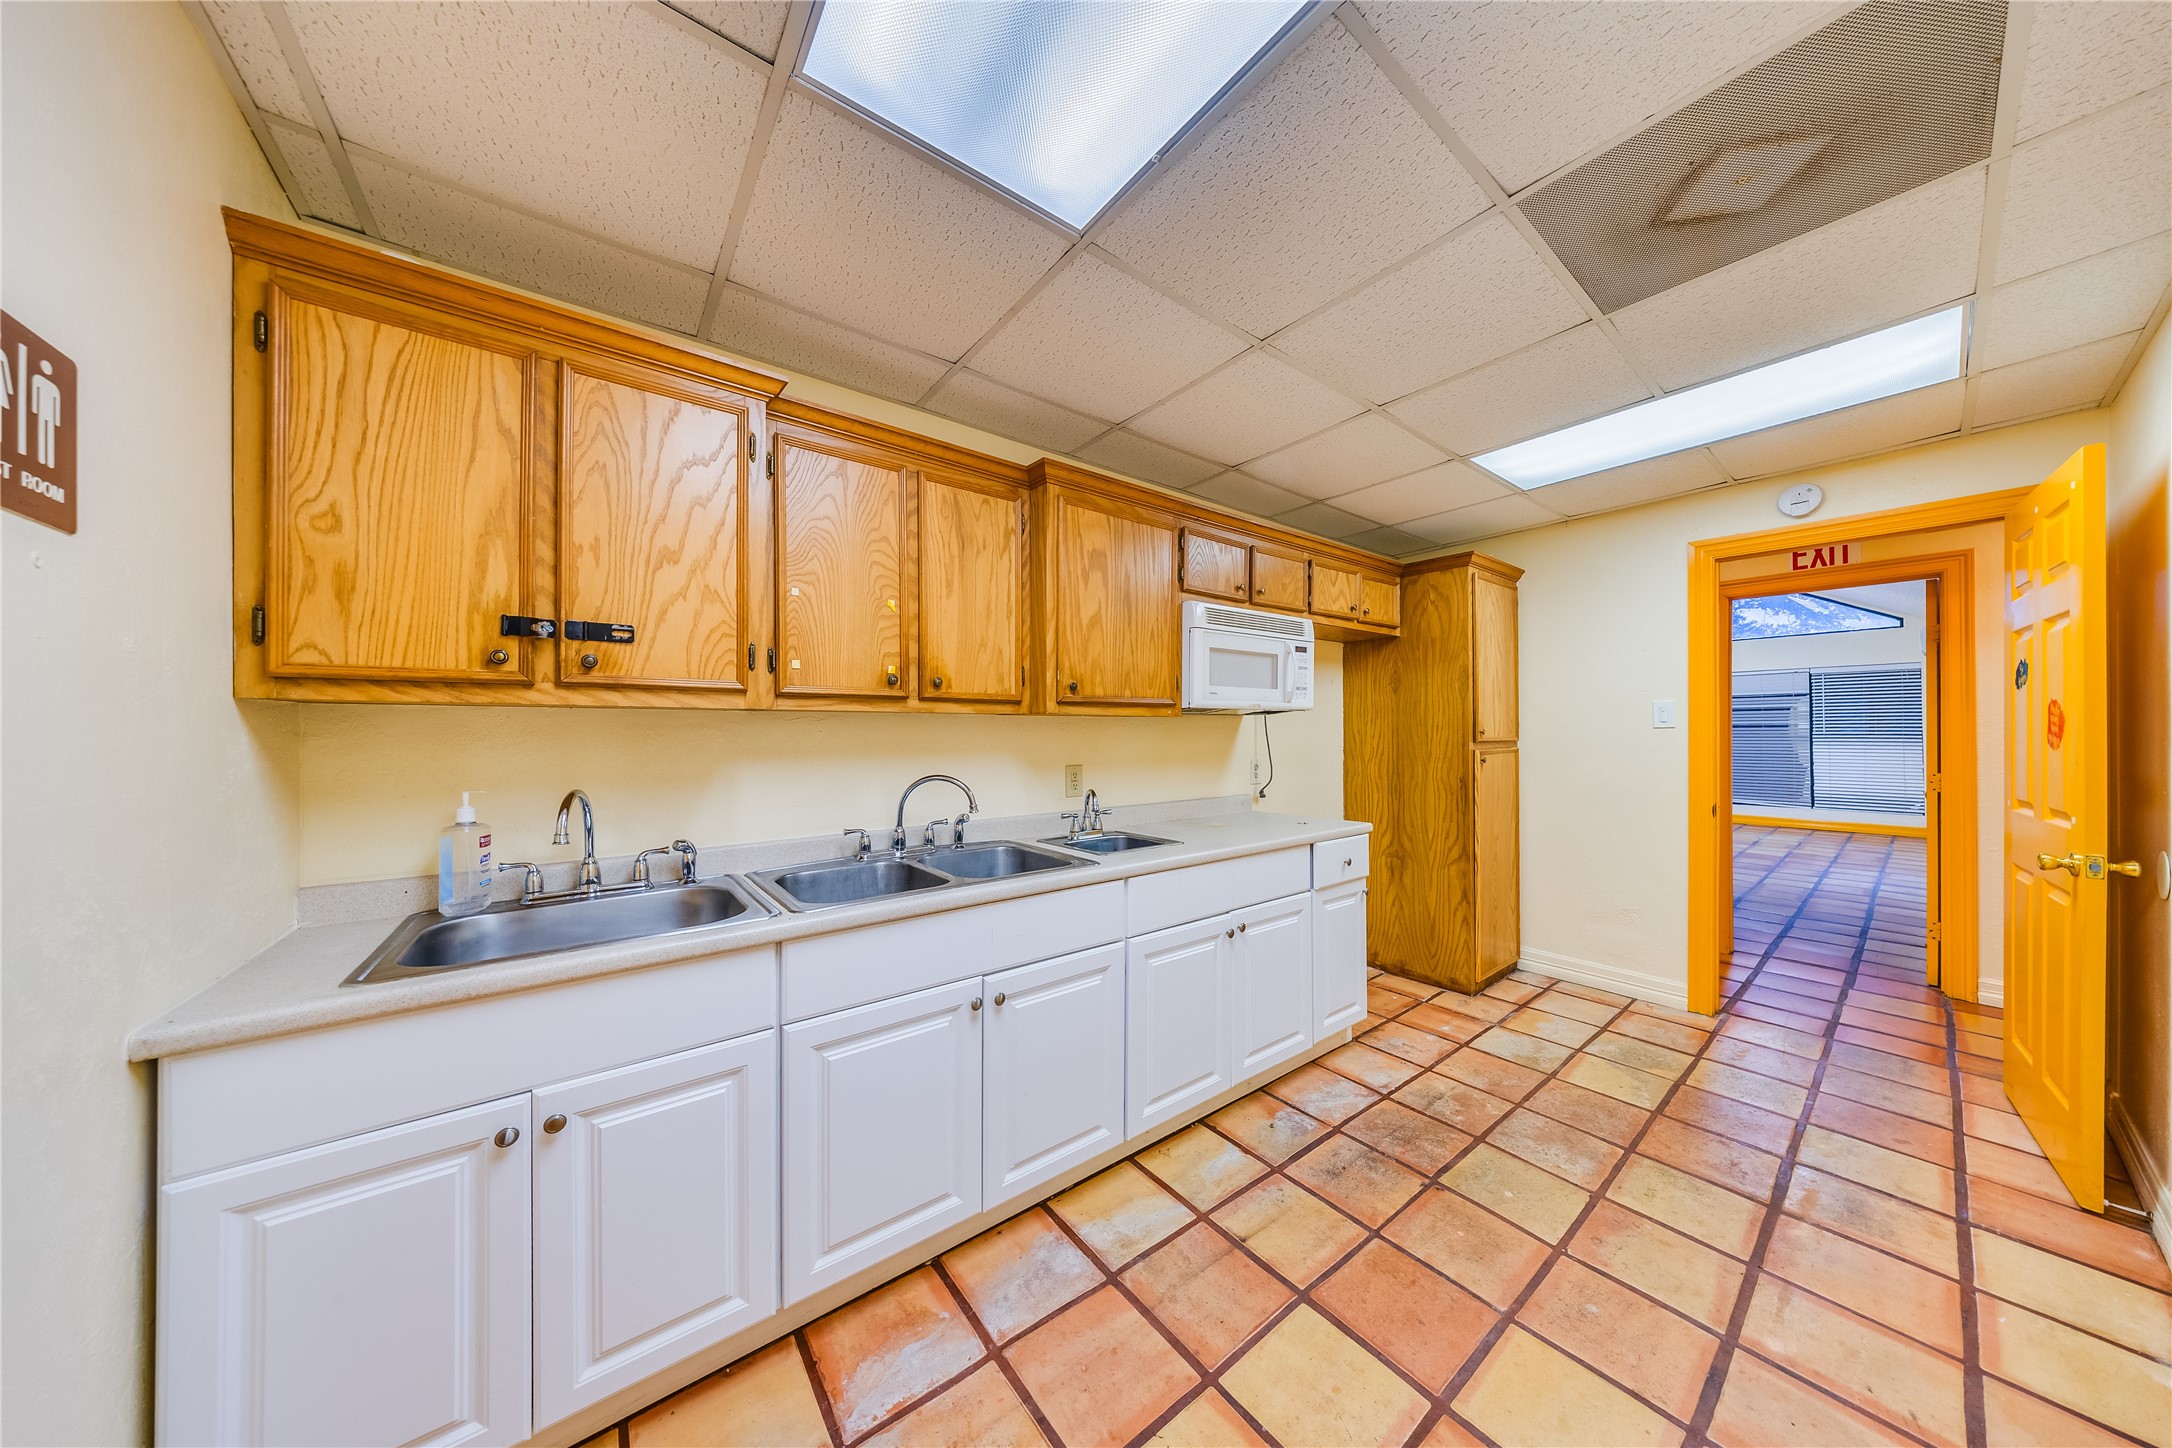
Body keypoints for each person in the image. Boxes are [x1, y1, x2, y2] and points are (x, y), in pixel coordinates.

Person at [30, 358, 60, 468]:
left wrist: (56, 420)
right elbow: (35, 393)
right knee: (42, 433)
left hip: (49, 414)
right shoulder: (37, 379)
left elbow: (56, 403)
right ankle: (42, 458)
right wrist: (34, 409)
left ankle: (49, 461)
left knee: (48, 435)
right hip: (42, 413)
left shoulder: (53, 387)